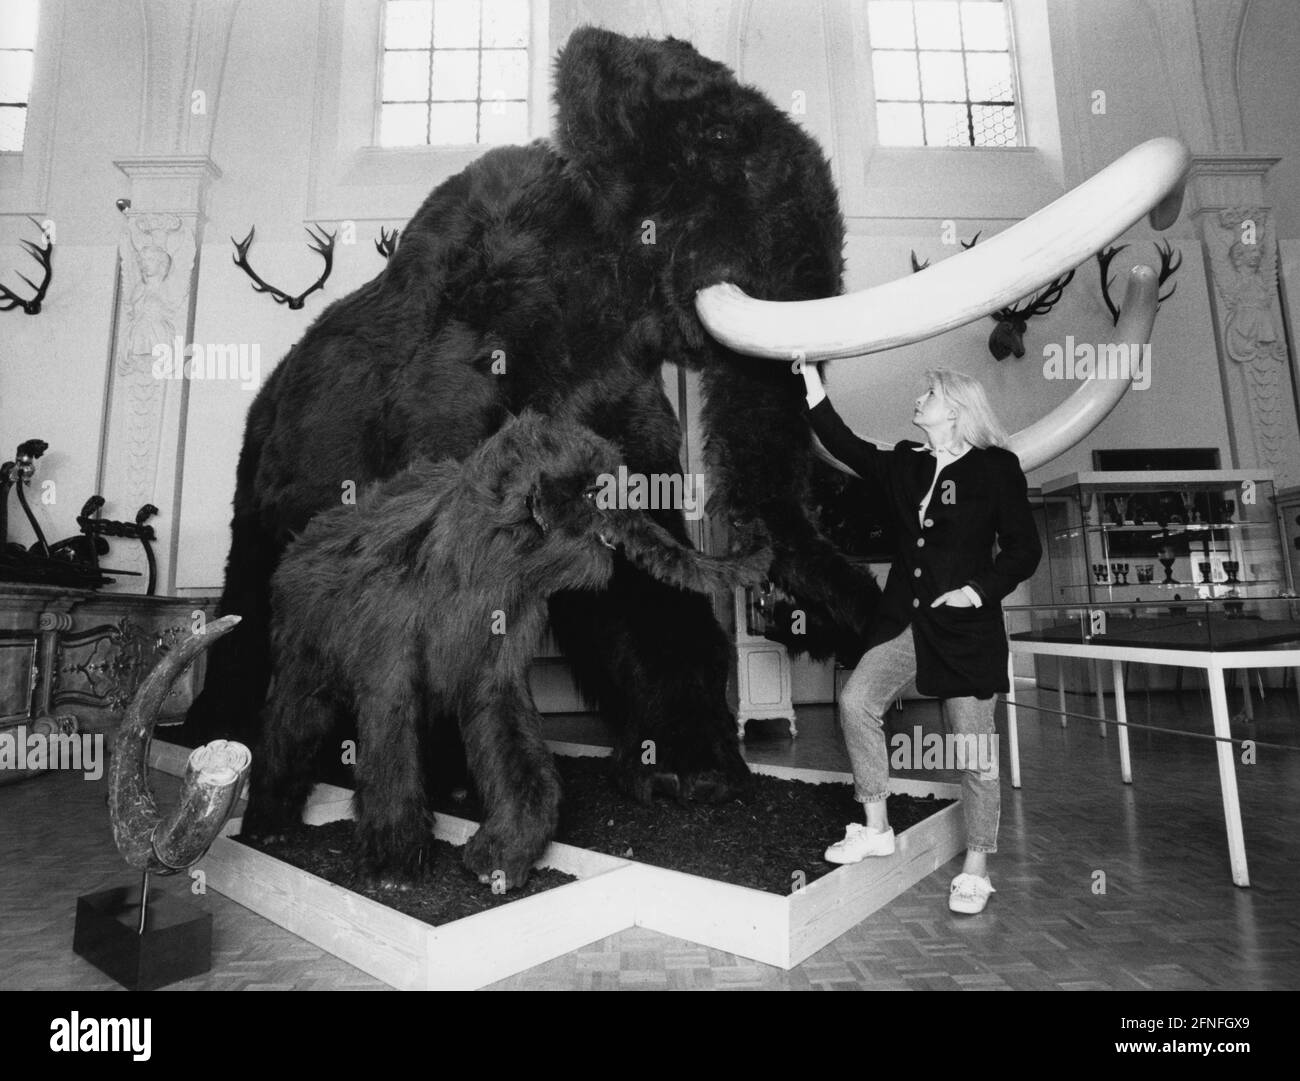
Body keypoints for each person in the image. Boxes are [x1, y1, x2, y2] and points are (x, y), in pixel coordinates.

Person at [800, 363, 1041, 914]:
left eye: (929, 392)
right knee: (857, 700)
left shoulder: (997, 468)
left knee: (974, 752)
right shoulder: (906, 463)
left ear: (954, 409)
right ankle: (876, 825)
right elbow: (847, 445)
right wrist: (813, 384)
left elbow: (1024, 549)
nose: (918, 397)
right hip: (903, 623)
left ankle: (977, 864)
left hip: (966, 630)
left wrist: (977, 592)